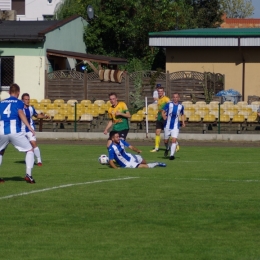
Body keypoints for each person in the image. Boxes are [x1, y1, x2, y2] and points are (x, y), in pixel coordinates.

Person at [0, 84, 36, 183]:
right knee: (29, 150)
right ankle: (28, 175)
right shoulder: (19, 102)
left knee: (0, 152)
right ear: (18, 92)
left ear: (8, 92)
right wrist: (29, 127)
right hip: (15, 131)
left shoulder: (1, 103)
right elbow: (20, 113)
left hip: (2, 131)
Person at [21, 93, 49, 166]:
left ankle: (39, 160)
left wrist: (44, 116)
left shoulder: (31, 108)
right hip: (21, 130)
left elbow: (37, 115)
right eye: (26, 99)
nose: (27, 101)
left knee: (33, 143)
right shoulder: (19, 108)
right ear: (22, 100)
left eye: (28, 99)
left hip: (30, 129)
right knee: (27, 146)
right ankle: (29, 159)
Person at [162, 93, 185, 160]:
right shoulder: (169, 104)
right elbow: (163, 111)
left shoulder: (181, 106)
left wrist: (183, 122)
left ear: (179, 98)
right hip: (167, 125)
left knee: (174, 140)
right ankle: (167, 148)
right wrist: (164, 116)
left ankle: (172, 155)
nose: (175, 98)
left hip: (175, 126)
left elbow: (182, 114)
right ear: (173, 98)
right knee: (166, 141)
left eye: (176, 97)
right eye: (174, 97)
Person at [150, 86, 170, 152]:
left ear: (163, 92)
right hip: (159, 117)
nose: (160, 92)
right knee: (157, 132)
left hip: (164, 117)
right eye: (159, 91)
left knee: (168, 133)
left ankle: (175, 144)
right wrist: (157, 114)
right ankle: (156, 148)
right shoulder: (158, 100)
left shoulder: (166, 99)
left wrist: (166, 114)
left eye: (161, 91)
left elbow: (170, 106)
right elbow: (159, 109)